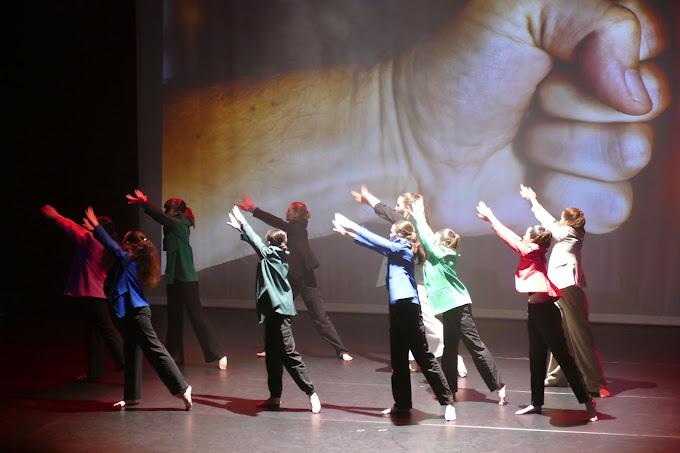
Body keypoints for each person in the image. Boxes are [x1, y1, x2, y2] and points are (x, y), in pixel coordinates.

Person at [161, 0, 670, 273]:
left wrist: (396, 136)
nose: (409, 236)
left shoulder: (424, 253)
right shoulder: (418, 248)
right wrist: (397, 134)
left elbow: (401, 238)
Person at [476, 201, 597, 421]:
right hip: (535, 310)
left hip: (545, 312)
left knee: (563, 357)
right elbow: (517, 239)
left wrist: (491, 218)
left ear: (532, 239)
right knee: (537, 356)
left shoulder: (532, 250)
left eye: (525, 235)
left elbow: (510, 238)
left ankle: (589, 405)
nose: (522, 237)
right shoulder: (535, 249)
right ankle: (536, 404)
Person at [332, 213, 456, 421]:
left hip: (409, 308)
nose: (389, 236)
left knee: (424, 357)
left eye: (391, 233)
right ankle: (402, 404)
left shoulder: (403, 248)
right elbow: (375, 245)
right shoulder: (395, 249)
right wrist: (349, 234)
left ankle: (447, 402)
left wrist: (353, 224)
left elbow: (379, 242)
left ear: (400, 235)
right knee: (398, 361)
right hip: (397, 310)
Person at [82, 206, 192, 410]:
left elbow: (111, 246)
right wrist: (95, 230)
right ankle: (132, 396)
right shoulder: (128, 260)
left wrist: (97, 227)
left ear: (131, 245)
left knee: (155, 350)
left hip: (139, 313)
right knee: (131, 351)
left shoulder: (128, 259)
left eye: (124, 241)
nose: (121, 244)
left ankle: (182, 387)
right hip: (130, 312)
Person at [350, 185, 468, 376]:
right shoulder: (415, 224)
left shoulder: (410, 223)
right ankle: (413, 359)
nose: (395, 208)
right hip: (407, 280)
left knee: (426, 320)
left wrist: (369, 197)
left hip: (415, 281)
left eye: (399, 205)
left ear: (408, 209)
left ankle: (451, 354)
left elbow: (384, 211)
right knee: (411, 321)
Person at [405, 197, 506, 404]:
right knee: (449, 349)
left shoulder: (446, 254)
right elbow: (425, 241)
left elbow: (427, 239)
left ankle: (499, 385)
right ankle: (449, 389)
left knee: (475, 346)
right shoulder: (436, 255)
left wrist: (419, 216)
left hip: (458, 306)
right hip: (449, 308)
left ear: (441, 244)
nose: (431, 242)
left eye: (435, 241)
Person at [226, 205, 321, 413]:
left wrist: (243, 223)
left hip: (280, 312)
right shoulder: (274, 254)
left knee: (289, 354)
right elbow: (257, 243)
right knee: (272, 355)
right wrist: (242, 229)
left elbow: (257, 244)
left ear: (272, 243)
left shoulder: (273, 256)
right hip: (271, 312)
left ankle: (311, 392)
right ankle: (275, 396)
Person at [236, 196, 352, 361]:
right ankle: (270, 347)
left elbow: (274, 221)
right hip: (291, 278)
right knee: (277, 313)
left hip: (305, 278)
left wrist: (254, 210)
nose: (286, 212)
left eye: (289, 211)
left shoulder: (296, 228)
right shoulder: (294, 228)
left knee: (319, 317)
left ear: (296, 215)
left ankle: (341, 350)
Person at [520, 184, 610, 398]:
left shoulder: (570, 233)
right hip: (558, 287)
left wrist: (533, 201)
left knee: (579, 335)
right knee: (559, 333)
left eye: (562, 218)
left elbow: (549, 223)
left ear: (568, 222)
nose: (559, 221)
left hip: (568, 287)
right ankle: (557, 377)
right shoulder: (570, 231)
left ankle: (596, 383)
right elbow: (553, 223)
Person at [126, 189, 227, 370]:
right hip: (174, 277)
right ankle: (174, 355)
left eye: (167, 208)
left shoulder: (180, 224)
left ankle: (217, 353)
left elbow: (162, 218)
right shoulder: (173, 223)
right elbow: (163, 219)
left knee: (196, 316)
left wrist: (144, 203)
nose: (165, 211)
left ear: (176, 211)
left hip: (186, 278)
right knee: (173, 317)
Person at [40, 205, 124, 382]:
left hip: (93, 294)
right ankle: (95, 372)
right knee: (94, 332)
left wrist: (56, 215)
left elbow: (72, 229)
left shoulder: (93, 241)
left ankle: (125, 362)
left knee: (106, 329)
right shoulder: (103, 242)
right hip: (93, 293)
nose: (86, 225)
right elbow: (79, 229)